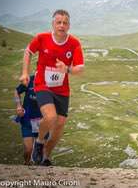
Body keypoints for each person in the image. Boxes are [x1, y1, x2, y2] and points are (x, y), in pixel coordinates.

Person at [19, 9, 84, 166]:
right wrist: (25, 73)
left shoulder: (74, 43)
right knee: (50, 117)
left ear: (69, 26)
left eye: (65, 23)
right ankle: (39, 142)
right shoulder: (42, 38)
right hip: (43, 85)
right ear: (53, 24)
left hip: (62, 90)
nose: (61, 25)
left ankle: (46, 156)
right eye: (58, 22)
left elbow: (80, 68)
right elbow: (28, 52)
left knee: (60, 124)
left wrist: (67, 69)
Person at [13, 74, 46, 165]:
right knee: (28, 149)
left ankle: (39, 169)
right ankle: (26, 163)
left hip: (43, 120)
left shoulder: (52, 82)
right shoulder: (29, 80)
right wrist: (18, 105)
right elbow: (17, 91)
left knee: (41, 150)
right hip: (27, 119)